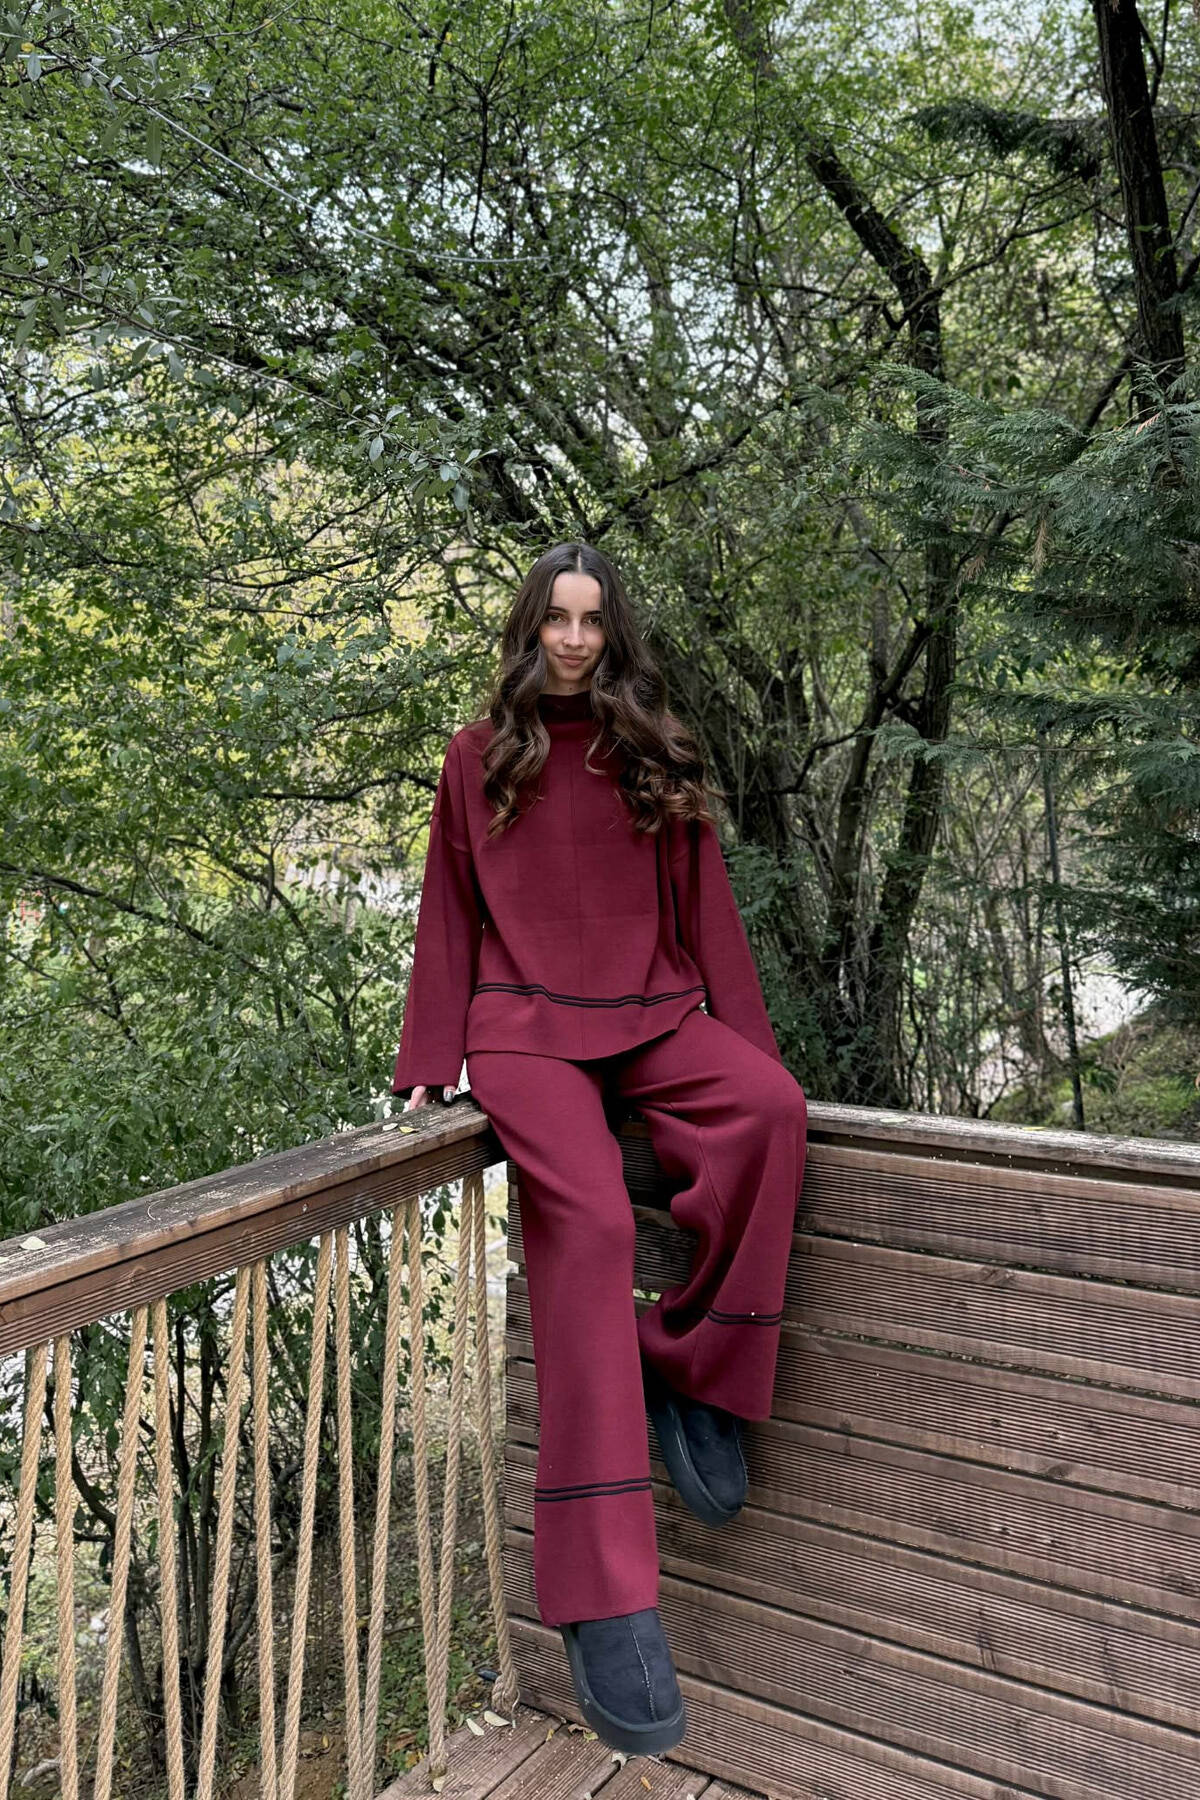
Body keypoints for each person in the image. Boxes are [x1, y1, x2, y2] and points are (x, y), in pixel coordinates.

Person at [392, 542, 808, 1755]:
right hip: (521, 1030)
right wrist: (428, 1057)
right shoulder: (478, 759)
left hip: (653, 1010)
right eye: (556, 620)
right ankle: (603, 1593)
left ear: (614, 635)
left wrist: (751, 1045)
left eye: (592, 621)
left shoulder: (655, 753)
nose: (574, 640)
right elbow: (448, 912)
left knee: (770, 1111)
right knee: (591, 1223)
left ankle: (691, 1369)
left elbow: (708, 914)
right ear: (530, 631)